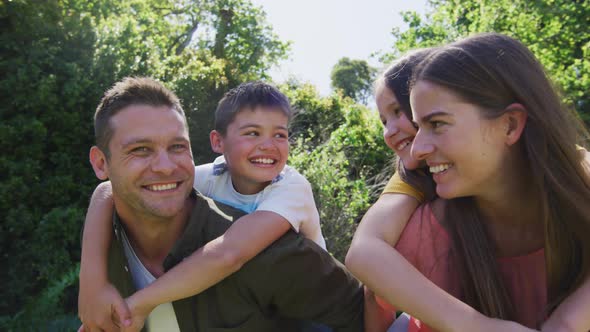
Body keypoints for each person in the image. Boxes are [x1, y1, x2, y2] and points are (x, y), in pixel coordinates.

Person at [79, 77, 363, 331]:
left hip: (312, 303)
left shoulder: (290, 191)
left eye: (177, 147)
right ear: (101, 163)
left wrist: (135, 306)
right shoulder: (207, 178)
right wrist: (91, 282)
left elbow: (229, 253)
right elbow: (106, 191)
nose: (166, 168)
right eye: (140, 150)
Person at [346, 37, 590, 332]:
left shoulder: (575, 174)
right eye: (386, 120)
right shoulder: (419, 218)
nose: (417, 148)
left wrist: (567, 322)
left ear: (510, 125)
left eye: (435, 123)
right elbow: (365, 261)